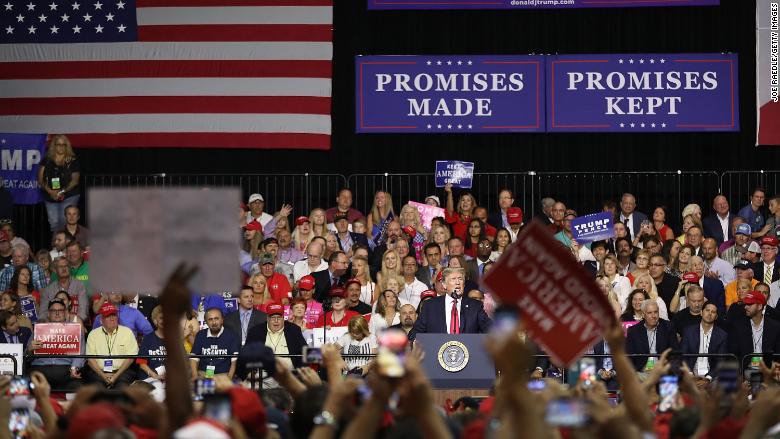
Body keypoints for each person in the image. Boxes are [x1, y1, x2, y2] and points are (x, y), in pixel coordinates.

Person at [408, 267, 492, 341]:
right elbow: (414, 334)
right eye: (453, 279)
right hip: (436, 354)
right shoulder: (430, 306)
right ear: (444, 285)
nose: (458, 282)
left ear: (464, 284)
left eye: (460, 279)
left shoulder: (475, 306)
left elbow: (490, 330)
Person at [29, 299, 85, 391]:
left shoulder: (75, 330)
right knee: (27, 385)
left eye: (60, 310)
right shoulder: (38, 330)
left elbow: (81, 353)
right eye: (53, 311)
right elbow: (27, 354)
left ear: (66, 313)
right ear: (48, 314)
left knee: (78, 387)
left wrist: (74, 367)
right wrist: (29, 349)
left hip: (66, 371)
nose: (57, 313)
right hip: (40, 370)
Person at [84, 302, 138, 388]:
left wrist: (115, 376)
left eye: (114, 315)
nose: (112, 318)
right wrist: (103, 376)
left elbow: (130, 359)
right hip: (99, 372)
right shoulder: (93, 334)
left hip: (122, 372)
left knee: (122, 387)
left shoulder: (127, 332)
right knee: (98, 388)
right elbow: (90, 360)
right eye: (108, 316)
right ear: (101, 320)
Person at [37, 135, 81, 232]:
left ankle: (67, 246)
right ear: (54, 145)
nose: (61, 147)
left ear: (67, 146)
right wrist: (51, 191)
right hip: (50, 195)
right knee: (54, 223)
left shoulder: (72, 160)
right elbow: (40, 179)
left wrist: (60, 192)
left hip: (69, 194)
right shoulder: (46, 159)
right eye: (58, 144)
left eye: (63, 144)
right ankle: (57, 246)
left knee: (64, 221)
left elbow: (75, 180)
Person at [245, 302, 306, 370]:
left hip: (288, 375)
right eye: (273, 317)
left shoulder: (294, 330)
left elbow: (305, 352)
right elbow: (246, 355)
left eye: (279, 317)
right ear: (267, 318)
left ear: (283, 318)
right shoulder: (256, 331)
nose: (276, 321)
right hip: (262, 376)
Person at [728, 291, 780, 370]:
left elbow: (778, 355)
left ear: (759, 306)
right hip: (746, 371)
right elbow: (733, 355)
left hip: (769, 371)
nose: (745, 307)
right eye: (746, 304)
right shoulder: (738, 326)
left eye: (750, 304)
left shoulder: (775, 327)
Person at [680, 302, 729, 383]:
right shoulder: (688, 331)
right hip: (691, 372)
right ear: (701, 313)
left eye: (713, 312)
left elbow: (720, 361)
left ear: (716, 317)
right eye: (707, 310)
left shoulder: (722, 335)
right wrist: (690, 374)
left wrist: (708, 378)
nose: (710, 313)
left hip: (712, 375)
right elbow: (683, 356)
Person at [625, 300, 678, 371]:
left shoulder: (668, 327)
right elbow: (629, 357)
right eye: (649, 313)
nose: (653, 316)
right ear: (643, 315)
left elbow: (675, 353)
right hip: (642, 371)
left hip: (663, 371)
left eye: (656, 312)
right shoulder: (633, 331)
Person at [190, 308, 239, 380]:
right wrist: (195, 377)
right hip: (203, 374)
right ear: (206, 322)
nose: (214, 322)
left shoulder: (231, 335)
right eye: (210, 319)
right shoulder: (200, 335)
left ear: (222, 320)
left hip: (223, 375)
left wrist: (229, 380)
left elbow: (234, 361)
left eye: (216, 318)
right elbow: (194, 358)